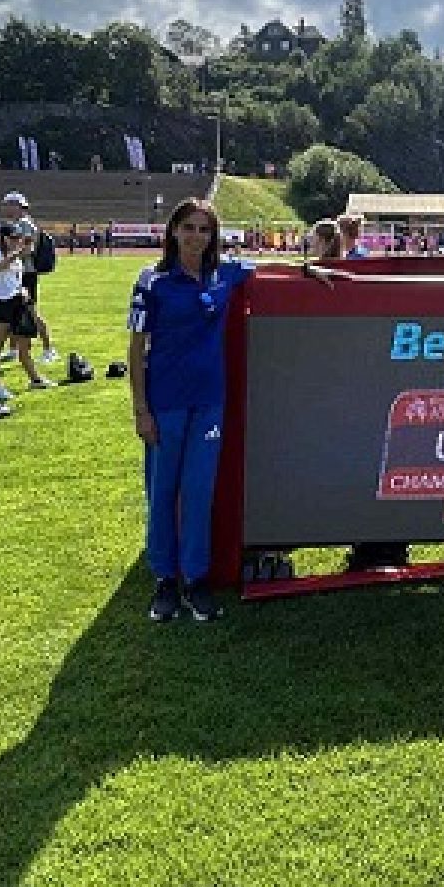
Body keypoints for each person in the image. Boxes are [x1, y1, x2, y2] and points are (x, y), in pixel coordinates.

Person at [128, 199, 341, 623]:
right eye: (189, 228)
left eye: (204, 230)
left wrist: (307, 269)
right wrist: (141, 410)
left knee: (199, 492)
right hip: (165, 403)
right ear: (174, 231)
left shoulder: (224, 273)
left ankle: (195, 579)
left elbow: (267, 267)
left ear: (213, 237)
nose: (196, 237)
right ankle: (165, 580)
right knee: (163, 492)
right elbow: (135, 349)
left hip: (209, 402)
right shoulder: (152, 281)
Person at [0, 220, 55, 403]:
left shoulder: (17, 255)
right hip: (1, 304)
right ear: (3, 238)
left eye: (18, 238)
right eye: (13, 238)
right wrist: (17, 253)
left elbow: (13, 277)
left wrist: (22, 289)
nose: (17, 241)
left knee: (25, 347)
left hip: (18, 302)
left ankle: (35, 380)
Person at [1, 191, 58, 364]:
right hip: (19, 272)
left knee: (31, 311)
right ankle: (13, 349)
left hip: (26, 273)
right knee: (15, 311)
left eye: (7, 205)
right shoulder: (19, 223)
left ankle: (49, 349)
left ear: (17, 206)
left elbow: (27, 250)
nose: (4, 208)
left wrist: (7, 256)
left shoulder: (25, 225)